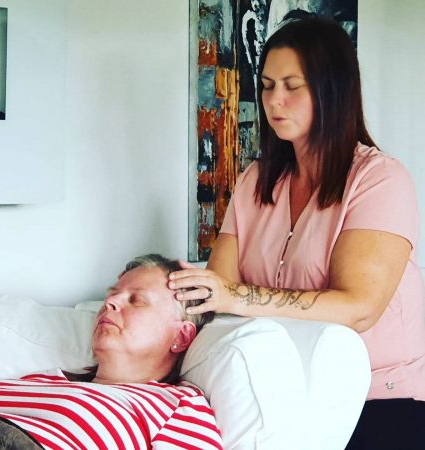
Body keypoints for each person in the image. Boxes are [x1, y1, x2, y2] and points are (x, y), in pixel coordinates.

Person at [168, 17, 425, 449]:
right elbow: (218, 296)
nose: (274, 100)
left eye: (292, 86)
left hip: (379, 402)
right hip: (283, 400)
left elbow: (357, 308)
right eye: (267, 85)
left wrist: (236, 296)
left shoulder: (381, 179)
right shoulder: (256, 180)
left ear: (332, 91)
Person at [0, 254, 222, 450]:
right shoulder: (39, 380)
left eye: (136, 300)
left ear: (181, 337)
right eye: (111, 295)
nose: (109, 303)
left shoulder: (176, 407)